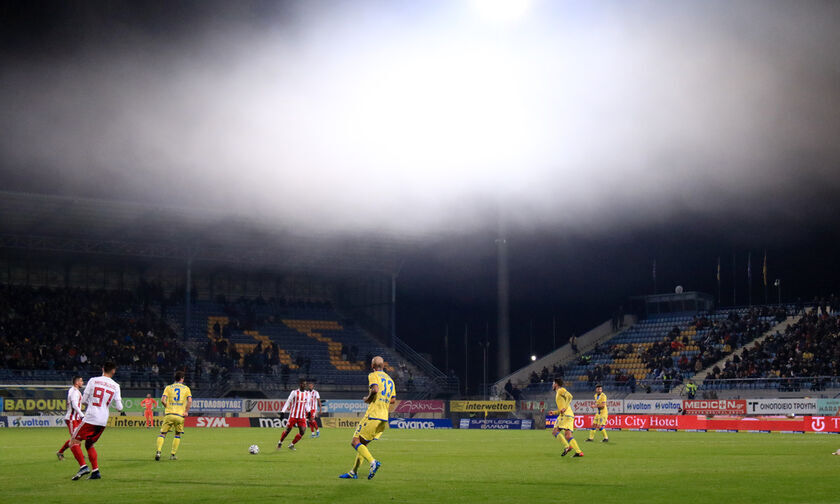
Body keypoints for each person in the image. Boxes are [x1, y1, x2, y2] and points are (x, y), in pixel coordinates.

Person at [339, 356, 395, 480]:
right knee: (363, 444)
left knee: (355, 442)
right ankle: (353, 472)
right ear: (384, 366)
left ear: (372, 366)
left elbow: (375, 390)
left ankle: (373, 462)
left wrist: (367, 399)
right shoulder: (390, 380)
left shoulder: (373, 375)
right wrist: (383, 398)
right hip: (384, 418)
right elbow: (393, 400)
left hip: (373, 415)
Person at [69, 362, 124, 480]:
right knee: (89, 444)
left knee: (73, 442)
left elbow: (83, 400)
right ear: (113, 371)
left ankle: (83, 466)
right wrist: (107, 404)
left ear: (103, 368)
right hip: (103, 420)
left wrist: (93, 403)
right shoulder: (116, 386)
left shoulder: (93, 380)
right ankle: (96, 472)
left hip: (91, 417)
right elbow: (120, 408)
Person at [155, 371, 192, 461]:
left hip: (169, 414)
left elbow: (163, 400)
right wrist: (186, 412)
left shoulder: (168, 387)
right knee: (177, 434)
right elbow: (190, 401)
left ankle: (158, 452)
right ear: (182, 379)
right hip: (179, 416)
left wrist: (167, 407)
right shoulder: (186, 388)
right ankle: (172, 454)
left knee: (162, 434)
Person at [549, 378, 583, 458]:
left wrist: (565, 407)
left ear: (556, 384)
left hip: (565, 415)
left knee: (555, 431)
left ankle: (567, 447)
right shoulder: (558, 393)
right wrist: (554, 412)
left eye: (553, 383)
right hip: (567, 415)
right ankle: (579, 452)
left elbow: (570, 396)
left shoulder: (561, 390)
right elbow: (562, 409)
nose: (553, 385)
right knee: (568, 435)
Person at [56, 376, 85, 461]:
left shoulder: (77, 392)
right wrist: (82, 414)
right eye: (81, 381)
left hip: (77, 418)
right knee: (75, 438)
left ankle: (79, 455)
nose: (82, 382)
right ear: (76, 382)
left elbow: (81, 403)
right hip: (72, 419)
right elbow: (74, 405)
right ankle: (60, 452)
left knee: (79, 437)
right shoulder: (73, 392)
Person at [278, 378, 310, 451]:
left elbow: (307, 404)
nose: (305, 385)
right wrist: (283, 412)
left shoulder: (307, 394)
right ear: (300, 384)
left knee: (302, 431)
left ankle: (291, 444)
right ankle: (280, 442)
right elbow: (288, 402)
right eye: (303, 384)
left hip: (302, 416)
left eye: (305, 384)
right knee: (287, 431)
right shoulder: (294, 392)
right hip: (293, 415)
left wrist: (309, 412)